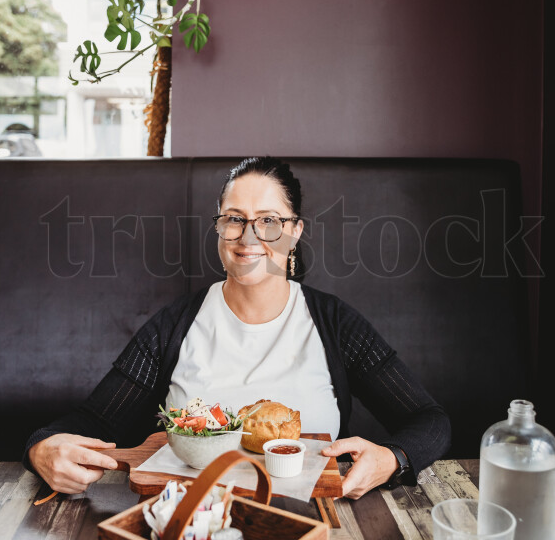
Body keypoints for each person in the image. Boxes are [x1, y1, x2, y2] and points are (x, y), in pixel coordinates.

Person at [25, 157, 451, 499]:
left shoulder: (335, 324)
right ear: (219, 228)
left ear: (295, 232)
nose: (249, 237)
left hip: (309, 518)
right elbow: (93, 421)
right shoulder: (173, 327)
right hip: (192, 520)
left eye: (269, 220)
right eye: (234, 218)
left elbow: (429, 420)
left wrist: (393, 458)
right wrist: (40, 449)